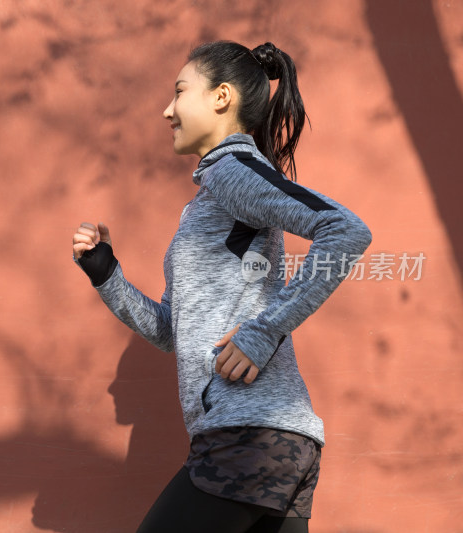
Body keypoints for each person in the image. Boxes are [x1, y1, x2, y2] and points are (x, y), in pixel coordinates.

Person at [71, 40, 372, 533]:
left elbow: (345, 230)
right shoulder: (208, 198)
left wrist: (263, 332)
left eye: (179, 91)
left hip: (247, 435)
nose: (166, 110)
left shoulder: (232, 170)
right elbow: (173, 330)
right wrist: (107, 274)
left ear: (221, 97)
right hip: (275, 444)